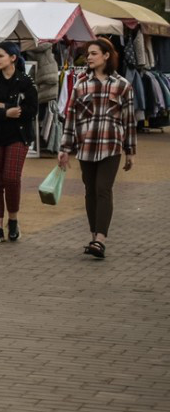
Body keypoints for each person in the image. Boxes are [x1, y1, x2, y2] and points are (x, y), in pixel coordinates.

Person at [58, 38, 136, 260]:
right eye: (88, 54)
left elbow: (129, 120)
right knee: (90, 191)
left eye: (93, 53)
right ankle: (94, 236)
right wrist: (64, 148)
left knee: (103, 189)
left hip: (111, 145)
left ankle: (100, 238)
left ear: (106, 56)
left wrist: (130, 151)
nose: (89, 57)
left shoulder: (122, 85)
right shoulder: (81, 85)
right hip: (86, 145)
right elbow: (71, 118)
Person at [0, 42, 38, 244]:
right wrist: (6, 113)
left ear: (13, 57)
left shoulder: (25, 82)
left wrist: (5, 107)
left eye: (1, 55)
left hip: (17, 136)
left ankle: (13, 220)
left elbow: (30, 111)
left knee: (11, 178)